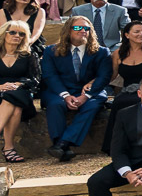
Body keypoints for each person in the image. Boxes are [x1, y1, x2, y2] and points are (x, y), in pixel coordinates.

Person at [41, 16, 112, 162]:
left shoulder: (101, 52)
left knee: (93, 105)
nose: (83, 31)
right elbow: (50, 76)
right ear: (68, 30)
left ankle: (62, 144)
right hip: (60, 90)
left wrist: (86, 96)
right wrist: (66, 95)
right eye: (78, 28)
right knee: (55, 104)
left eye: (86, 28)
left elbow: (104, 77)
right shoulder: (51, 51)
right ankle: (62, 147)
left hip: (90, 91)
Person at [0, 21, 42, 163]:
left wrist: (19, 83)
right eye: (13, 32)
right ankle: (8, 148)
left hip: (20, 91)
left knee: (14, 96)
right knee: (15, 107)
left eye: (21, 33)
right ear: (3, 34)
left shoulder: (29, 55)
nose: (17, 36)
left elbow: (35, 79)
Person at [100, 20, 142, 152]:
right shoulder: (118, 53)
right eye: (137, 31)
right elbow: (111, 76)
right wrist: (94, 84)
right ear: (127, 35)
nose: (141, 34)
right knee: (119, 102)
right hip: (129, 90)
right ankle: (117, 145)